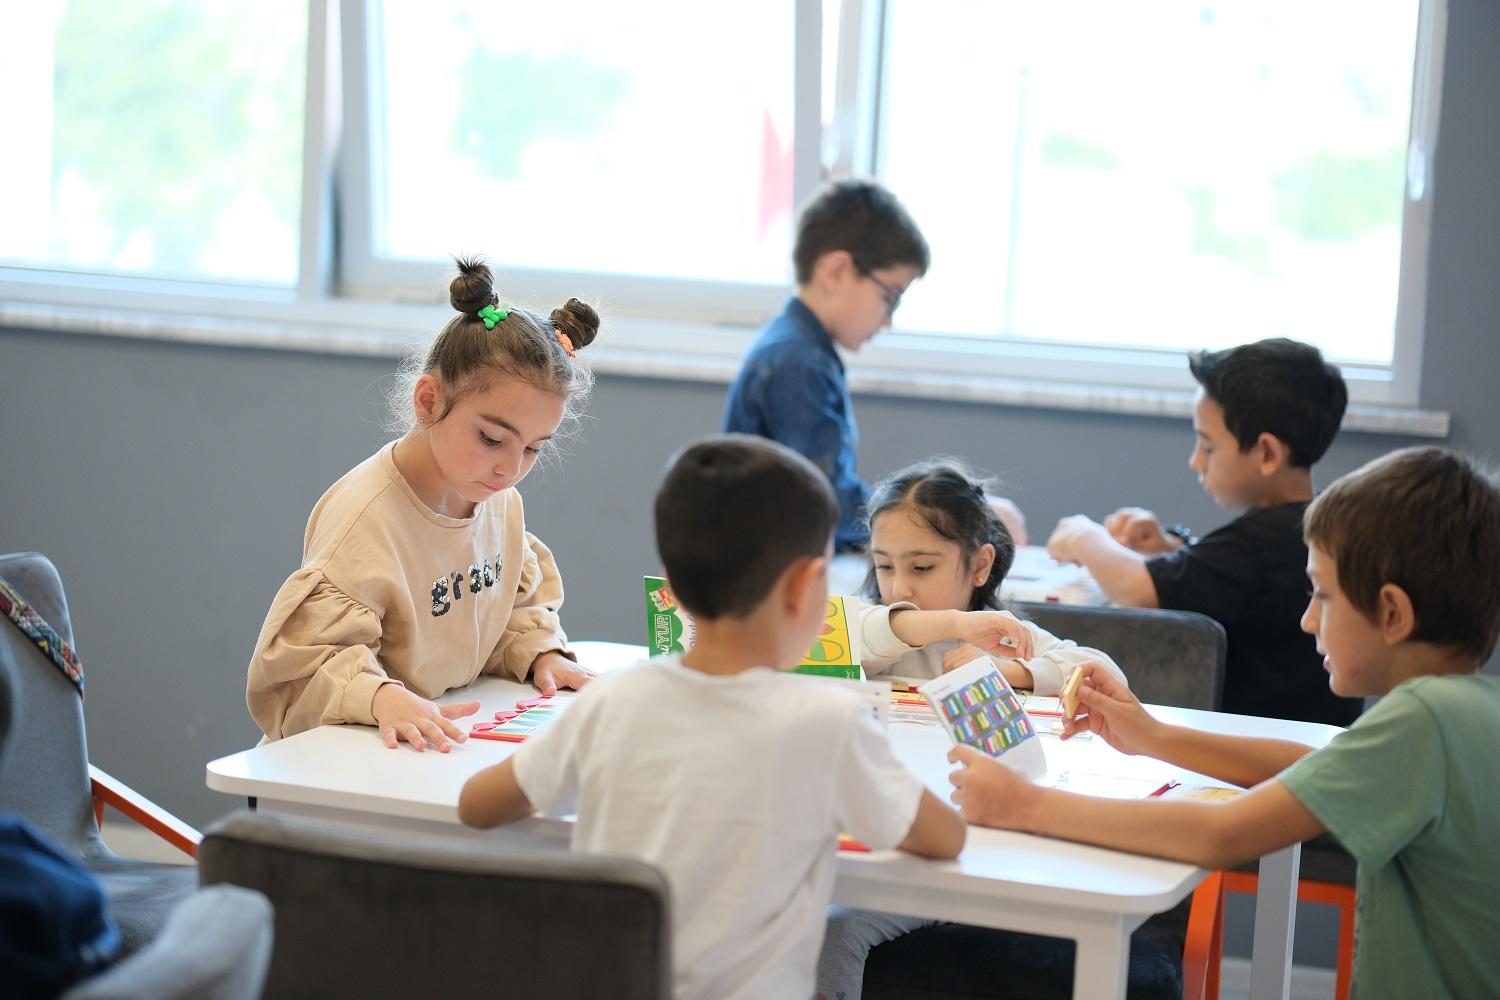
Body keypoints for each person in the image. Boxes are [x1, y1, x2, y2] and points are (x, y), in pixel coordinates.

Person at [460, 435, 1070, 1000]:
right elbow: (945, 839)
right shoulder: (827, 723)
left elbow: (478, 806)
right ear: (809, 587)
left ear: (672, 588)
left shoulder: (610, 699)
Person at [956, 446, 1500, 999]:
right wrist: (1152, 735)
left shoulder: (1422, 719)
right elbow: (1315, 769)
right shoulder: (1468, 714)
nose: (1308, 619)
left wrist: (1024, 805)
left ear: (1392, 613)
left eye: (1322, 594)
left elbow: (1218, 835)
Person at [818, 459, 1153, 1000]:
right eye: (883, 566)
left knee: (834, 930)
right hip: (877, 850)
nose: (899, 586)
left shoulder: (1005, 638)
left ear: (979, 566)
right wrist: (941, 624)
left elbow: (1103, 672)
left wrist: (1012, 671)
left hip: (969, 857)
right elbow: (856, 629)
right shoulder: (870, 630)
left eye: (921, 567)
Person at [246, 258, 597, 749]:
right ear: (430, 401)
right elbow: (304, 671)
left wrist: (540, 652)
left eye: (534, 448)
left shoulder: (494, 497)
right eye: (492, 438)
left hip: (435, 748)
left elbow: (503, 611)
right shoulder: (366, 519)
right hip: (351, 756)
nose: (511, 469)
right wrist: (381, 696)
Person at [1046, 338, 1361, 725]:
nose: (1196, 461)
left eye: (1208, 446)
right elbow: (1224, 577)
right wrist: (1171, 549)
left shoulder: (1259, 543)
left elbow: (1135, 589)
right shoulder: (1317, 522)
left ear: (1267, 453)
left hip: (1256, 741)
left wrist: (1083, 534)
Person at [722, 178, 1026, 551]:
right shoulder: (796, 362)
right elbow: (825, 501)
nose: (888, 321)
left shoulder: (803, 350)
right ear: (835, 271)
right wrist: (945, 519)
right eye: (890, 296)